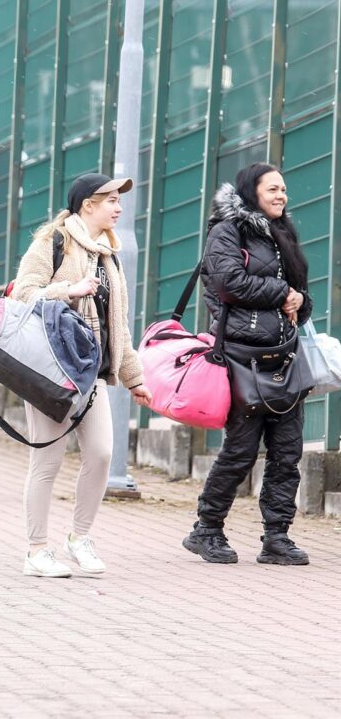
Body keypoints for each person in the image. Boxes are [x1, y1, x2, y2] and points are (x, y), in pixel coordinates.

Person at [10, 173, 153, 579]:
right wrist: (69, 290)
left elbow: (118, 325)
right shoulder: (52, 243)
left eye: (118, 199)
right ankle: (37, 550)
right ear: (87, 204)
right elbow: (22, 294)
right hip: (49, 370)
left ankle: (80, 538)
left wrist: (134, 377)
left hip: (89, 373)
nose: (118, 206)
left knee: (102, 453)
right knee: (47, 460)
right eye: (110, 199)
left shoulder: (110, 256)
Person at [183, 164, 312, 566]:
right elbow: (229, 284)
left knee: (287, 453)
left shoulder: (283, 234)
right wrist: (282, 293)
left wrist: (299, 302)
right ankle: (206, 529)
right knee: (240, 450)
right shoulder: (226, 231)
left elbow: (300, 296)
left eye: (284, 190)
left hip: (285, 355)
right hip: (241, 355)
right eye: (272, 189)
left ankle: (277, 537)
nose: (281, 196)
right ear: (250, 192)